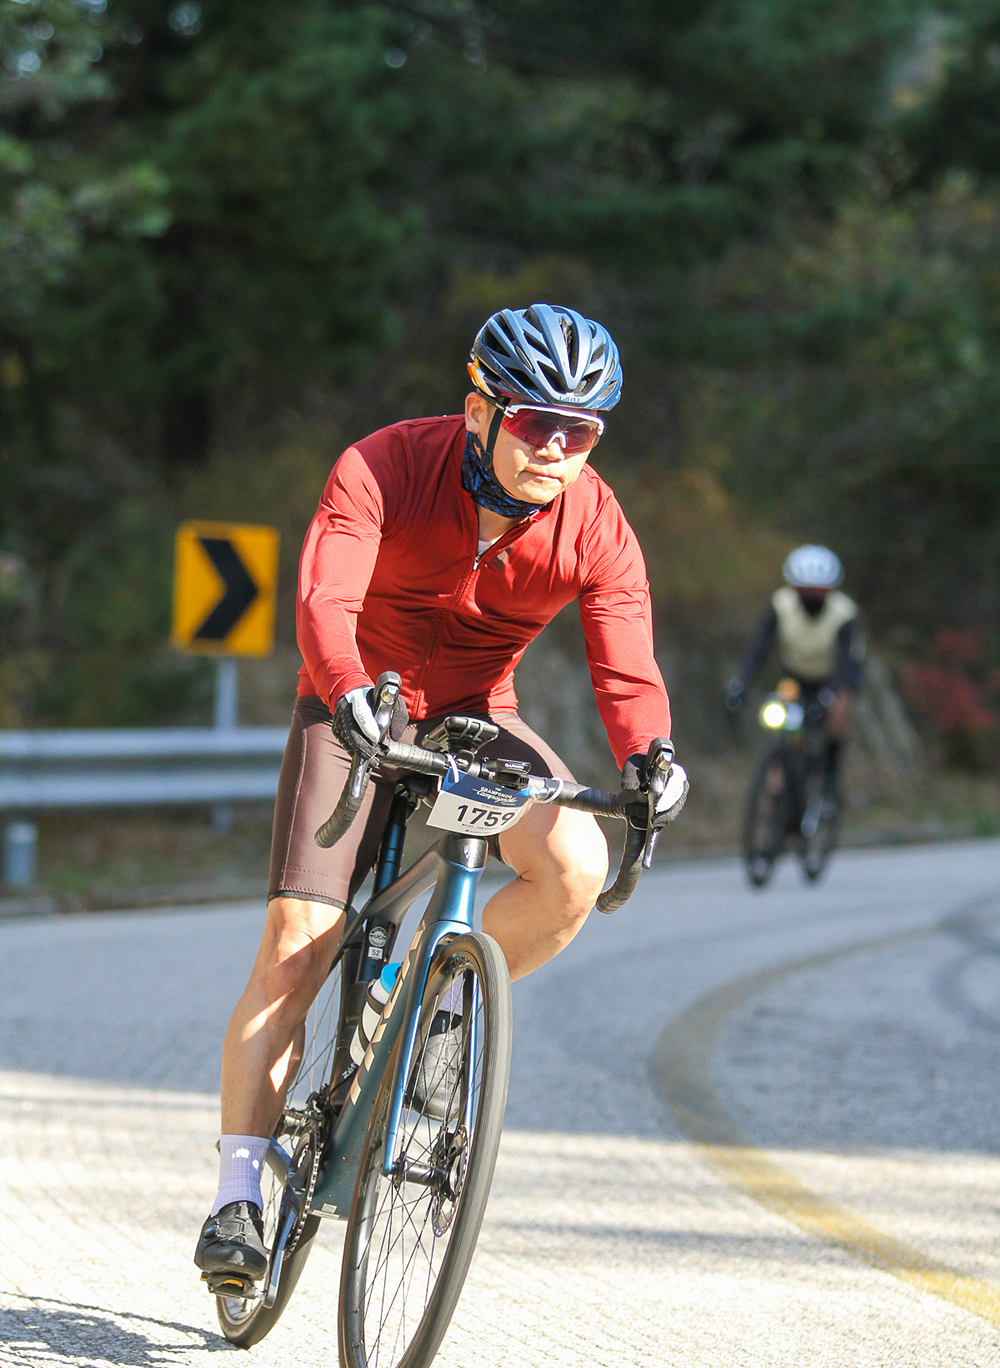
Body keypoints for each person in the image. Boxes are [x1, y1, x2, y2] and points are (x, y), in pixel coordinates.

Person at [194, 303, 687, 1287]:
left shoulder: (595, 523)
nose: (556, 448)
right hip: (354, 705)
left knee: (575, 865)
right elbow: (325, 600)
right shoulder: (382, 466)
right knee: (297, 947)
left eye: (581, 431)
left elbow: (626, 663)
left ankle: (431, 994)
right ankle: (236, 1198)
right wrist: (346, 692)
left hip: (473, 713)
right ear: (478, 411)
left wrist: (651, 757)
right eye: (535, 423)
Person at [725, 544, 864, 798]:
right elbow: (759, 648)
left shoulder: (844, 614)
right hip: (795, 678)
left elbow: (847, 662)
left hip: (832, 678)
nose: (812, 596)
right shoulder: (781, 605)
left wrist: (830, 695)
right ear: (794, 588)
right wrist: (741, 682)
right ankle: (785, 785)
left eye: (818, 591)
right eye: (806, 590)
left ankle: (830, 776)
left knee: (838, 709)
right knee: (788, 728)